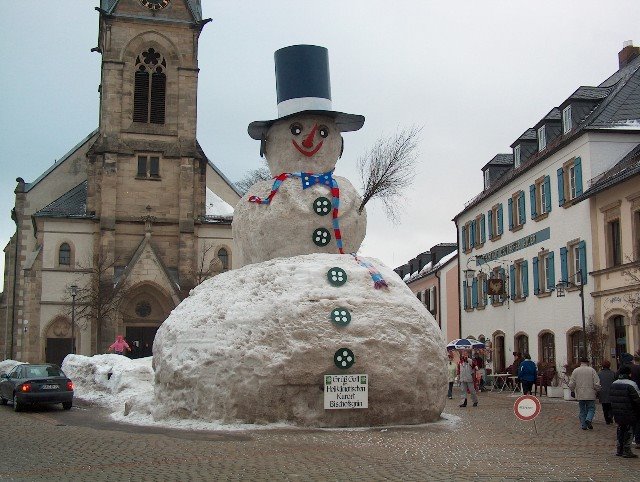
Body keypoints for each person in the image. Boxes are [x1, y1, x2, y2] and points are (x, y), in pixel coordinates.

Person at [609, 365, 640, 458]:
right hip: (629, 411)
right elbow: (637, 399)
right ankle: (627, 450)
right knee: (629, 430)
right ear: (628, 373)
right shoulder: (631, 384)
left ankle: (619, 449)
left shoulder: (614, 383)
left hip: (617, 411)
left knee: (620, 429)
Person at [569, 357, 601, 430]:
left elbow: (571, 383)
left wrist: (572, 390)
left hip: (580, 394)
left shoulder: (576, 371)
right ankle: (589, 419)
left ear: (580, 362)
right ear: (587, 362)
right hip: (590, 393)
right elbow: (596, 383)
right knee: (591, 408)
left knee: (582, 410)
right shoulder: (592, 370)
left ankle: (583, 425)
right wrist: (597, 390)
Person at [598, 360, 616, 424]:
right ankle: (610, 416)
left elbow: (598, 383)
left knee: (604, 407)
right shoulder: (613, 373)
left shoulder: (599, 373)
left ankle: (607, 420)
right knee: (611, 406)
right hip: (611, 391)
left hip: (602, 392)